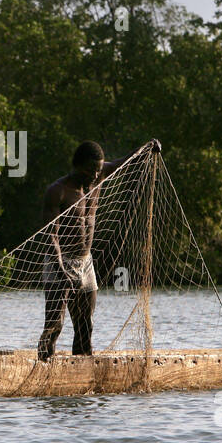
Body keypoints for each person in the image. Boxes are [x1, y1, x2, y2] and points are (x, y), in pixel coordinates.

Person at [37, 139, 161, 360]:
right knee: (54, 323)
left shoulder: (100, 177)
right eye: (91, 170)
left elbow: (127, 162)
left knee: (86, 325)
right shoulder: (58, 191)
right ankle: (44, 364)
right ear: (78, 166)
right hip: (60, 259)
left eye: (98, 170)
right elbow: (51, 234)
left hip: (85, 262)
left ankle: (81, 369)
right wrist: (60, 269)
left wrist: (147, 149)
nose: (95, 175)